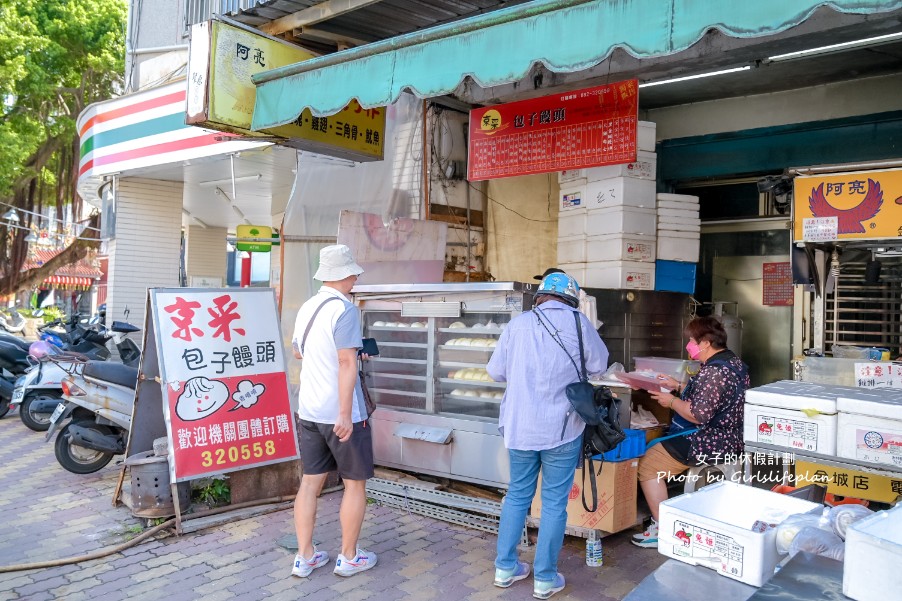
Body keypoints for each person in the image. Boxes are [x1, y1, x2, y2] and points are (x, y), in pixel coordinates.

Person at [487, 272, 609, 599]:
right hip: (562, 428)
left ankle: (505, 568)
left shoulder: (517, 325)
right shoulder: (580, 324)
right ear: (570, 299)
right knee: (554, 503)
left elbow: (494, 371)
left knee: (517, 495)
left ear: (540, 297)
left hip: (519, 427)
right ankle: (544, 578)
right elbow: (599, 365)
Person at [289, 244, 377, 578]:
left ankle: (304, 556)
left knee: (309, 484)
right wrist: (344, 413)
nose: (356, 276)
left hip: (309, 410)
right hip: (342, 413)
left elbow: (300, 352)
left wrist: (351, 354)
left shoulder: (308, 307)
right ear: (342, 275)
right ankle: (349, 556)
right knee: (354, 484)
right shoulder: (345, 310)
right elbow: (343, 361)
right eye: (353, 271)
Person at [631, 316, 749, 548]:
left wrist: (671, 401)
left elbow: (698, 414)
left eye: (692, 341)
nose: (689, 346)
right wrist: (678, 386)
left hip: (707, 441)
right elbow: (712, 398)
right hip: (731, 438)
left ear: (705, 343)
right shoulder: (733, 362)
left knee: (648, 465)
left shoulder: (714, 372)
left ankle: (663, 528)